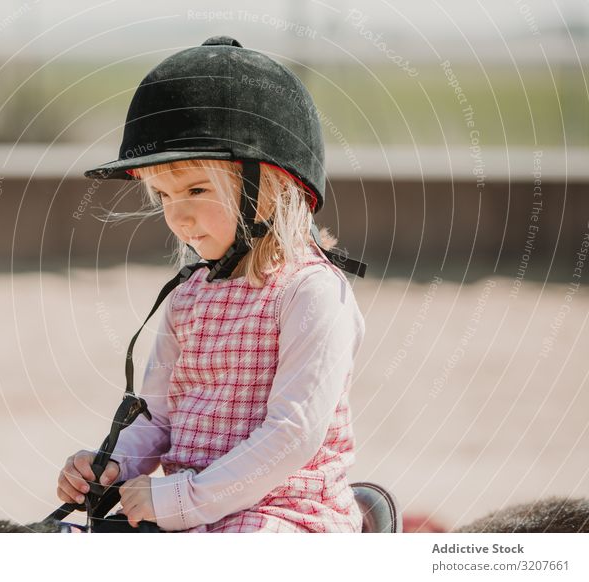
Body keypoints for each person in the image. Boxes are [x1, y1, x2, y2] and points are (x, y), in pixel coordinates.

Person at [57, 36, 367, 533]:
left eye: (197, 190)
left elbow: (292, 434)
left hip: (283, 513)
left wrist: (183, 498)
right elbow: (156, 419)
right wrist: (115, 465)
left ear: (268, 185)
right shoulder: (189, 297)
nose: (177, 215)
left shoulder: (310, 294)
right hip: (186, 507)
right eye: (162, 195)